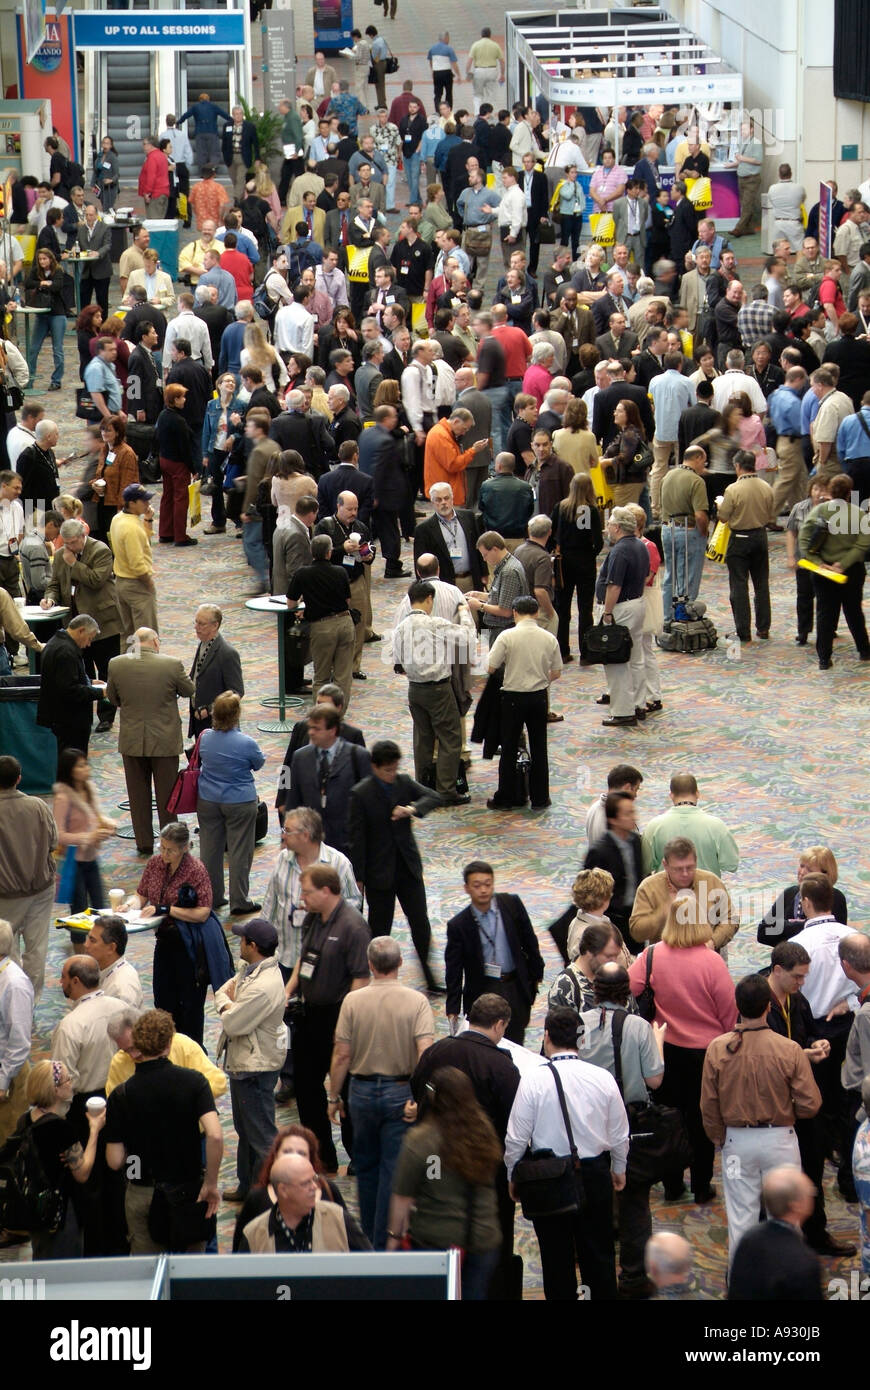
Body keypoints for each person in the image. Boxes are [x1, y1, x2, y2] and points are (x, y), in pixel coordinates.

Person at [505, 1006, 629, 1301]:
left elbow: (516, 1137)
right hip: (595, 1174)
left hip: (549, 1177)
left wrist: (513, 1175)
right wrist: (619, 1168)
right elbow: (619, 1134)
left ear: (546, 1037)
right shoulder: (602, 1078)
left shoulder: (533, 1080)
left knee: (555, 1259)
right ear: (580, 1039)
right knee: (599, 1255)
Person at [701, 973, 822, 1267]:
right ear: (769, 1006)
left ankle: (741, 1284)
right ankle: (789, 1280)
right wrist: (788, 1111)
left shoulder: (717, 1048)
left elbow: (709, 1103)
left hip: (736, 1141)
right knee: (788, 1217)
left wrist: (719, 1138)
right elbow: (811, 1104)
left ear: (737, 1006)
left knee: (740, 1218)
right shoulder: (789, 1049)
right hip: (780, 1139)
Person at [327, 935, 434, 1248]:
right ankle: (388, 1240)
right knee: (393, 1168)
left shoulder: (352, 1001)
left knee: (365, 1165)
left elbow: (341, 1054)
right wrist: (420, 1097)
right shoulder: (417, 1002)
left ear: (371, 965)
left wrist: (334, 1096)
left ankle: (368, 1238)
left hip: (359, 1092)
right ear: (400, 963)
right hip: (401, 1094)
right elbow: (425, 1053)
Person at [628, 905, 737, 1204]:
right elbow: (730, 1013)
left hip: (665, 1050)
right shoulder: (712, 962)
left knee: (669, 1119)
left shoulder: (651, 956)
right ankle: (702, 1186)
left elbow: (627, 986)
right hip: (707, 1055)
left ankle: (673, 1185)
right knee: (703, 1121)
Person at [104, 1008, 222, 1254]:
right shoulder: (194, 1083)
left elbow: (115, 1161)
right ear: (169, 1043)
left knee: (148, 1273)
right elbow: (215, 1134)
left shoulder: (120, 1095)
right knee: (194, 1272)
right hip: (188, 1189)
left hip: (141, 1188)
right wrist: (210, 1182)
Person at [578, 963, 664, 1298]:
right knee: (635, 1201)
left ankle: (596, 1278)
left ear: (595, 991)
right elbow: (654, 1080)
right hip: (629, 1122)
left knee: (592, 1199)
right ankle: (633, 1279)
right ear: (627, 991)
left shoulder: (578, 1025)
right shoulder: (640, 1027)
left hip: (587, 1123)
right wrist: (659, 1044)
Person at [387, 1064, 502, 1299]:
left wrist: (393, 1238)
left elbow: (402, 1198)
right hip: (483, 1238)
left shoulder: (421, 1140)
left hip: (436, 1242)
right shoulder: (485, 1131)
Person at [282, 864, 370, 1172]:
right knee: (307, 1087)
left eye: (307, 892)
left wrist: (345, 1026)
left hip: (339, 1016)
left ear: (327, 891)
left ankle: (358, 1155)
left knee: (345, 1089)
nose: (302, 898)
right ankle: (323, 1157)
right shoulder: (311, 920)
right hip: (309, 1013)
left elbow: (361, 980)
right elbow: (302, 960)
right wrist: (288, 990)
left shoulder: (354, 926)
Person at [123, 822, 231, 1048]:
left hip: (190, 946)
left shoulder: (196, 870)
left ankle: (192, 1055)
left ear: (184, 848)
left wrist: (167, 909)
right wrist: (130, 905)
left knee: (189, 1007)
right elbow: (141, 894)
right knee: (163, 1001)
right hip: (164, 942)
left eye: (169, 849)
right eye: (161, 847)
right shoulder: (155, 864)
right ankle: (167, 1054)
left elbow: (202, 912)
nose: (163, 853)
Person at [348, 740, 442, 991]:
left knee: (420, 923)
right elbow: (357, 839)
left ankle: (431, 978)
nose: (392, 774)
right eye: (387, 770)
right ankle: (375, 980)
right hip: (379, 874)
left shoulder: (403, 782)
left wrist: (411, 809)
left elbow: (433, 796)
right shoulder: (361, 793)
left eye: (394, 768)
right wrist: (358, 876)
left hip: (407, 868)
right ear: (375, 767)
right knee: (379, 930)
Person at [213, 918, 286, 1203]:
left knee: (262, 1135)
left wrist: (229, 1006)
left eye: (243, 939)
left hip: (255, 1067)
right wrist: (230, 1004)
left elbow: (233, 1023)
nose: (239, 942)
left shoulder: (263, 985)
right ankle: (248, 1186)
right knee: (246, 1130)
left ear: (252, 946)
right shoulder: (251, 968)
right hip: (243, 1060)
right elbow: (222, 991)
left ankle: (273, 1192)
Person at [106, 627, 195, 855]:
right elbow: (189, 690)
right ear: (155, 642)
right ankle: (170, 843)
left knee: (137, 796)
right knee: (167, 797)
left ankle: (143, 843)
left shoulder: (116, 664)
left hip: (132, 740)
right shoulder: (172, 664)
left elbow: (113, 698)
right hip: (164, 741)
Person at [11, 1059, 105, 1258]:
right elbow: (82, 1172)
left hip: (34, 1207)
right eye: (66, 1080)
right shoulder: (60, 1129)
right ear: (55, 1090)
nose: (71, 1083)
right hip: (61, 1213)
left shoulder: (25, 1119)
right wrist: (95, 1130)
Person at [445, 861, 544, 1045]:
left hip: (514, 985)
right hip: (482, 989)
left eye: (488, 884)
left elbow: (530, 941)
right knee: (483, 1043)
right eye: (477, 885)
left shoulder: (511, 904)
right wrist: (453, 1008)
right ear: (467, 888)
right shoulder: (459, 925)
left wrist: (536, 975)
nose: (483, 890)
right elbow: (454, 970)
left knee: (516, 1040)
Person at [392, 581, 470, 805]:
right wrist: (464, 613)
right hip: (438, 688)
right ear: (429, 599)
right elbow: (466, 636)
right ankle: (446, 791)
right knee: (450, 737)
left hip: (415, 689)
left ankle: (422, 787)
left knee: (422, 738)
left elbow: (398, 663)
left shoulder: (401, 628)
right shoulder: (434, 624)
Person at [41, 518, 122, 734]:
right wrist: (49, 598)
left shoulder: (100, 550)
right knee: (81, 671)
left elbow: (96, 580)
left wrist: (73, 564)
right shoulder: (61, 555)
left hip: (103, 622)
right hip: (75, 623)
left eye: (73, 543)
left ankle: (106, 716)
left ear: (82, 536)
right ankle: (83, 712)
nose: (69, 547)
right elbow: (55, 583)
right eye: (65, 543)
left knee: (106, 669)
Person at [486, 596, 561, 812]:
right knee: (539, 747)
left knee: (509, 747)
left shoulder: (507, 636)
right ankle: (540, 798)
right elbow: (556, 672)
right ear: (537, 613)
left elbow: (490, 667)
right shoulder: (548, 638)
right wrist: (540, 679)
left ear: (515, 612)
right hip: (538, 696)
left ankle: (506, 797)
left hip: (512, 697)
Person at [197, 692, 265, 916]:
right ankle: (240, 900)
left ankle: (213, 895)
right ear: (236, 715)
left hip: (208, 799)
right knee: (240, 851)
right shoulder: (246, 742)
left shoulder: (205, 737)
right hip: (239, 800)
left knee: (210, 849)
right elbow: (258, 763)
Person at [799, 472, 870, 669]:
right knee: (854, 611)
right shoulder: (858, 513)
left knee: (825, 613)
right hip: (851, 571)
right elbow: (863, 544)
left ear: (830, 490)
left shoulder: (819, 511)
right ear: (849, 493)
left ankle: (824, 658)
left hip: (823, 571)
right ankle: (864, 650)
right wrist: (843, 564)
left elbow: (804, 540)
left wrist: (818, 561)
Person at [284, 704, 372, 858]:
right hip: (309, 845)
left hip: (347, 845)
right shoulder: (300, 757)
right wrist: (287, 839)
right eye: (310, 727)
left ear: (332, 730)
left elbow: (368, 807)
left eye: (317, 728)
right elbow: (293, 802)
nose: (310, 732)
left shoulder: (358, 757)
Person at [728, 1167, 823, 1300]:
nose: (813, 1195)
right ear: (797, 1205)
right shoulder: (804, 1261)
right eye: (810, 1192)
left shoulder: (748, 1239)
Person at [629, 837, 738, 953]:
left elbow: (731, 919)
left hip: (706, 955)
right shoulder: (649, 887)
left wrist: (713, 941)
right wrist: (662, 912)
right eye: (678, 869)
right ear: (665, 865)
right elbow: (636, 932)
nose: (685, 873)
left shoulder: (711, 881)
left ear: (696, 861)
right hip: (666, 959)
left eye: (690, 867)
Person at [594, 506, 649, 728]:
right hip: (637, 603)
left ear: (616, 527)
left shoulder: (619, 551)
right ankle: (638, 704)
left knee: (616, 659)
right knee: (635, 657)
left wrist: (607, 613)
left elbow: (614, 586)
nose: (607, 528)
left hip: (621, 608)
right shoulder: (639, 545)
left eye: (609, 525)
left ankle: (623, 711)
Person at [286, 534, 356, 707]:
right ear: (329, 553)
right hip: (345, 623)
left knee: (321, 677)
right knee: (343, 676)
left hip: (322, 627)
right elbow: (347, 601)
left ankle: (324, 715)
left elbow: (290, 604)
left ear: (312, 552)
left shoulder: (303, 573)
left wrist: (306, 607)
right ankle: (339, 714)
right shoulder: (340, 571)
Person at [717, 449, 776, 642]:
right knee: (761, 584)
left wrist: (720, 506)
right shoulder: (766, 486)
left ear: (737, 466)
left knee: (739, 585)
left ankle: (743, 630)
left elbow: (723, 517)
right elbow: (771, 515)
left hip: (739, 538)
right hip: (760, 536)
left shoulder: (733, 489)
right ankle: (764, 628)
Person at [52, 748, 115, 915]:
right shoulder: (63, 798)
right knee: (79, 911)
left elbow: (95, 816)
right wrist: (89, 837)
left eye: (86, 764)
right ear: (70, 771)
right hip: (72, 860)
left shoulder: (89, 789)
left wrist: (107, 825)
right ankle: (79, 942)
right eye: (81, 766)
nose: (86, 768)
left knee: (100, 908)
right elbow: (58, 835)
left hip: (91, 856)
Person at [642, 773, 740, 876]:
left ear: (671, 795)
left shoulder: (654, 826)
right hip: (704, 888)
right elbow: (731, 865)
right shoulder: (717, 826)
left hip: (668, 889)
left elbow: (645, 867)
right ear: (697, 793)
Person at [550, 472, 602, 662]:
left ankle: (563, 651)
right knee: (585, 608)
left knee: (562, 608)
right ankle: (586, 653)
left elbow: (551, 532)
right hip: (585, 562)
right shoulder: (590, 510)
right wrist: (590, 554)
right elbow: (598, 541)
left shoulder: (560, 508)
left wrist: (554, 551)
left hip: (564, 562)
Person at [36, 613, 102, 757]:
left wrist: (89, 682)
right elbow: (70, 690)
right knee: (72, 764)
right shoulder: (66, 652)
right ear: (81, 630)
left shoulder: (56, 642)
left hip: (61, 718)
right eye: (89, 638)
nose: (89, 644)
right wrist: (100, 693)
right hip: (69, 721)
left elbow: (61, 679)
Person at [584, 792, 643, 940]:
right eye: (628, 813)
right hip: (610, 922)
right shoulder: (599, 851)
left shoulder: (636, 841)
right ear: (613, 819)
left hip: (635, 916)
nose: (633, 817)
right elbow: (589, 892)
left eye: (633, 811)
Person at [109, 485, 158, 642]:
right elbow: (137, 565)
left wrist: (148, 520)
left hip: (121, 583)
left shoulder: (118, 518)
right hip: (137, 585)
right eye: (143, 501)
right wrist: (149, 584)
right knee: (146, 637)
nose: (147, 503)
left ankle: (128, 665)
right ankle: (145, 666)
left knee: (129, 636)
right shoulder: (131, 528)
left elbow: (144, 541)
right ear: (132, 503)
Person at [0, 918, 34, 1147]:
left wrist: (2, 1082)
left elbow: (19, 1042)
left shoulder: (14, 984)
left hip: (9, 1075)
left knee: (6, 1141)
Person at [188, 604, 244, 738]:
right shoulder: (203, 644)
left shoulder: (228, 653)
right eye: (196, 622)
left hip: (220, 724)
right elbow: (198, 675)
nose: (196, 627)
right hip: (199, 720)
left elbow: (236, 692)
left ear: (215, 626)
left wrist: (209, 709)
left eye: (201, 624)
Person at [154, 382, 199, 548]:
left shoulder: (163, 415)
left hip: (164, 459)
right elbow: (185, 449)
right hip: (178, 463)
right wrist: (193, 469)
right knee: (181, 499)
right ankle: (180, 535)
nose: (185, 400)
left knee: (167, 496)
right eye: (181, 397)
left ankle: (165, 533)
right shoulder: (178, 420)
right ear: (174, 399)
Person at [24, 249, 66, 390]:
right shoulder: (36, 271)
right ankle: (29, 378)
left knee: (57, 349)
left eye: (45, 259)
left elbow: (57, 286)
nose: (42, 262)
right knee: (33, 348)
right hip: (41, 314)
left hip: (57, 313)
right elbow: (28, 283)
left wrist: (48, 284)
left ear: (50, 259)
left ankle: (56, 380)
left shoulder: (58, 271)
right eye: (40, 259)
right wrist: (42, 283)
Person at [84, 914, 142, 1007]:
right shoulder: (102, 969)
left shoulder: (121, 990)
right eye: (88, 938)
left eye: (92, 940)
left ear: (111, 948)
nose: (86, 945)